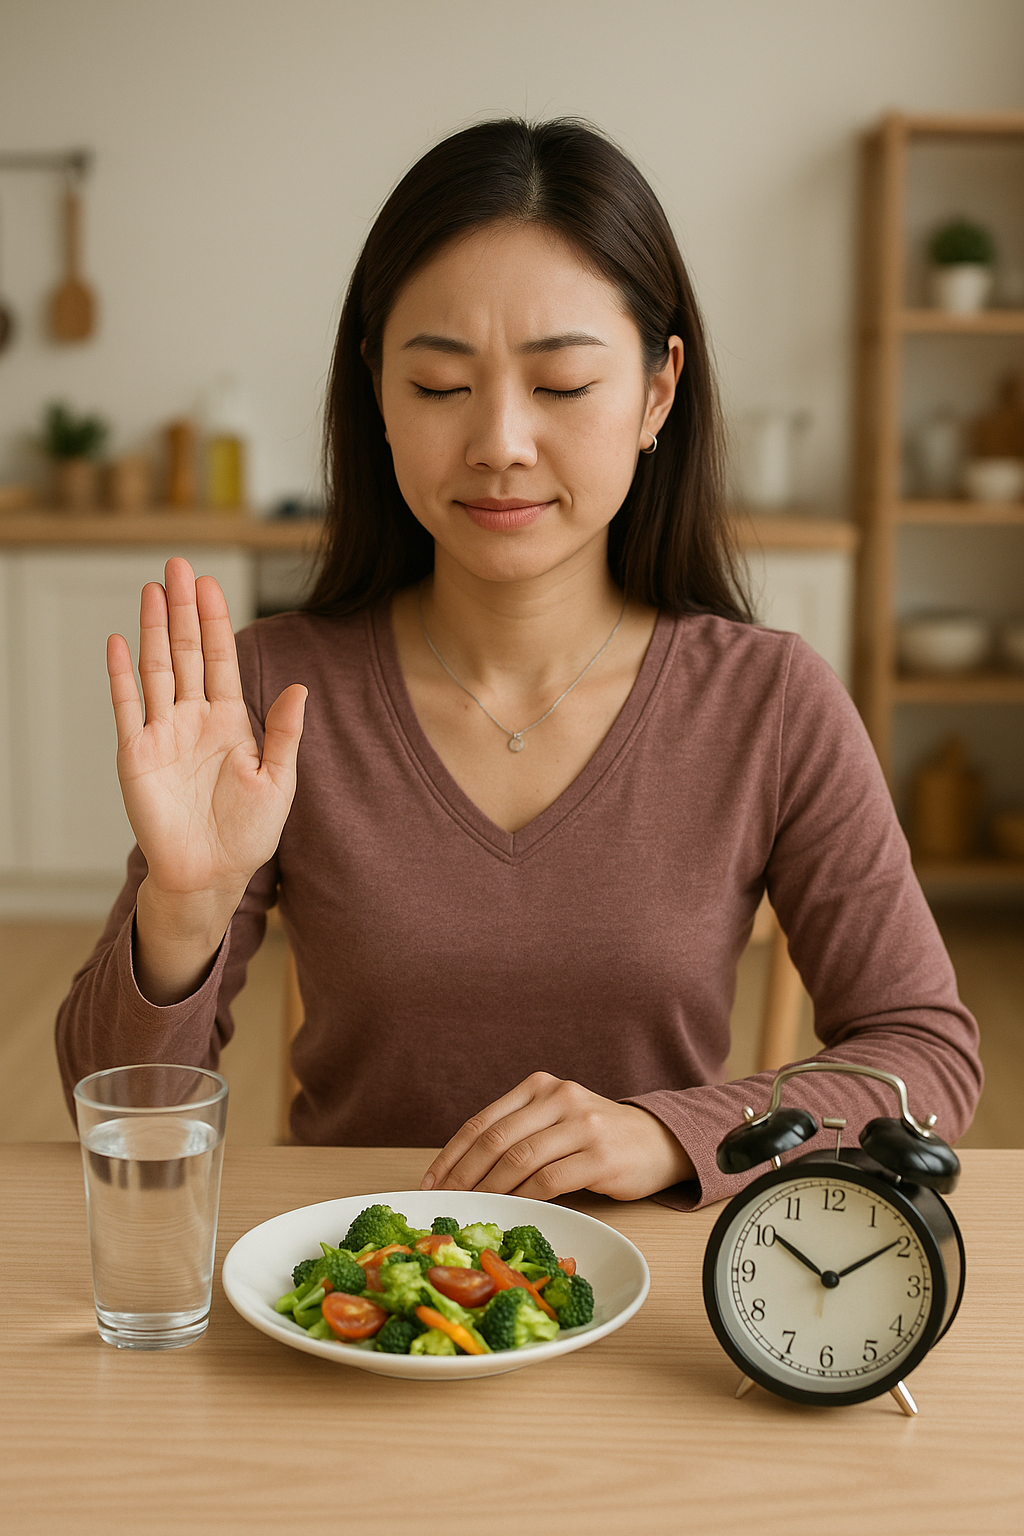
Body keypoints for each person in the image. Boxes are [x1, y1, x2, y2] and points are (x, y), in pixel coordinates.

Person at [56, 119, 981, 1210]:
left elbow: (923, 1056)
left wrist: (670, 1133)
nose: (497, 439)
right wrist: (183, 907)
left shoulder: (768, 702)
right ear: (378, 396)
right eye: (442, 386)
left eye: (560, 385)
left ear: (655, 391)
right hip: (356, 1310)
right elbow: (117, 1119)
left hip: (654, 1316)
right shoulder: (273, 700)